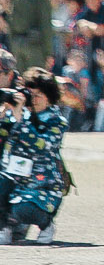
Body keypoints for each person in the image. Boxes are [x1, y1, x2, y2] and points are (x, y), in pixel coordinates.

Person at [0, 66, 66, 243]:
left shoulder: (56, 120)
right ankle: (4, 226)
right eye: (31, 96)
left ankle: (46, 224)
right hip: (16, 180)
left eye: (38, 96)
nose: (34, 100)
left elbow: (42, 145)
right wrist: (5, 112)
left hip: (43, 184)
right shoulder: (20, 115)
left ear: (50, 98)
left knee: (24, 209)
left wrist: (20, 119)